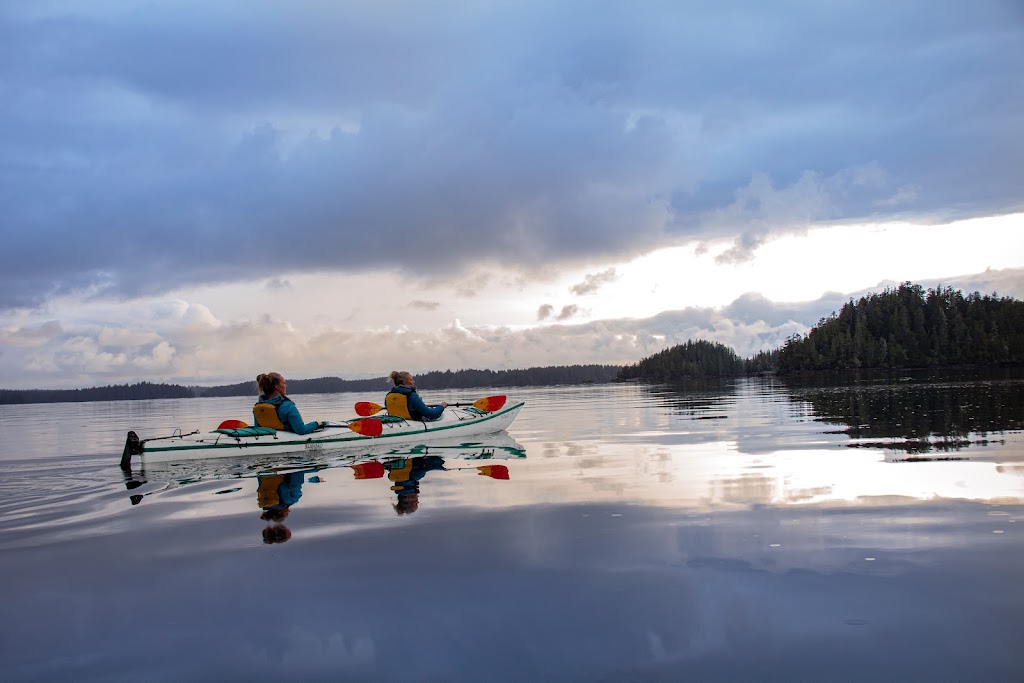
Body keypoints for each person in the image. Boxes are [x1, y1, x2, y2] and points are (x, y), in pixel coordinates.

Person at [253, 372, 326, 434]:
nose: (285, 386)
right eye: (283, 383)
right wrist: (316, 424)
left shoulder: (258, 407)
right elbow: (301, 430)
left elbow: (257, 429)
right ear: (277, 387)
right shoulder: (287, 405)